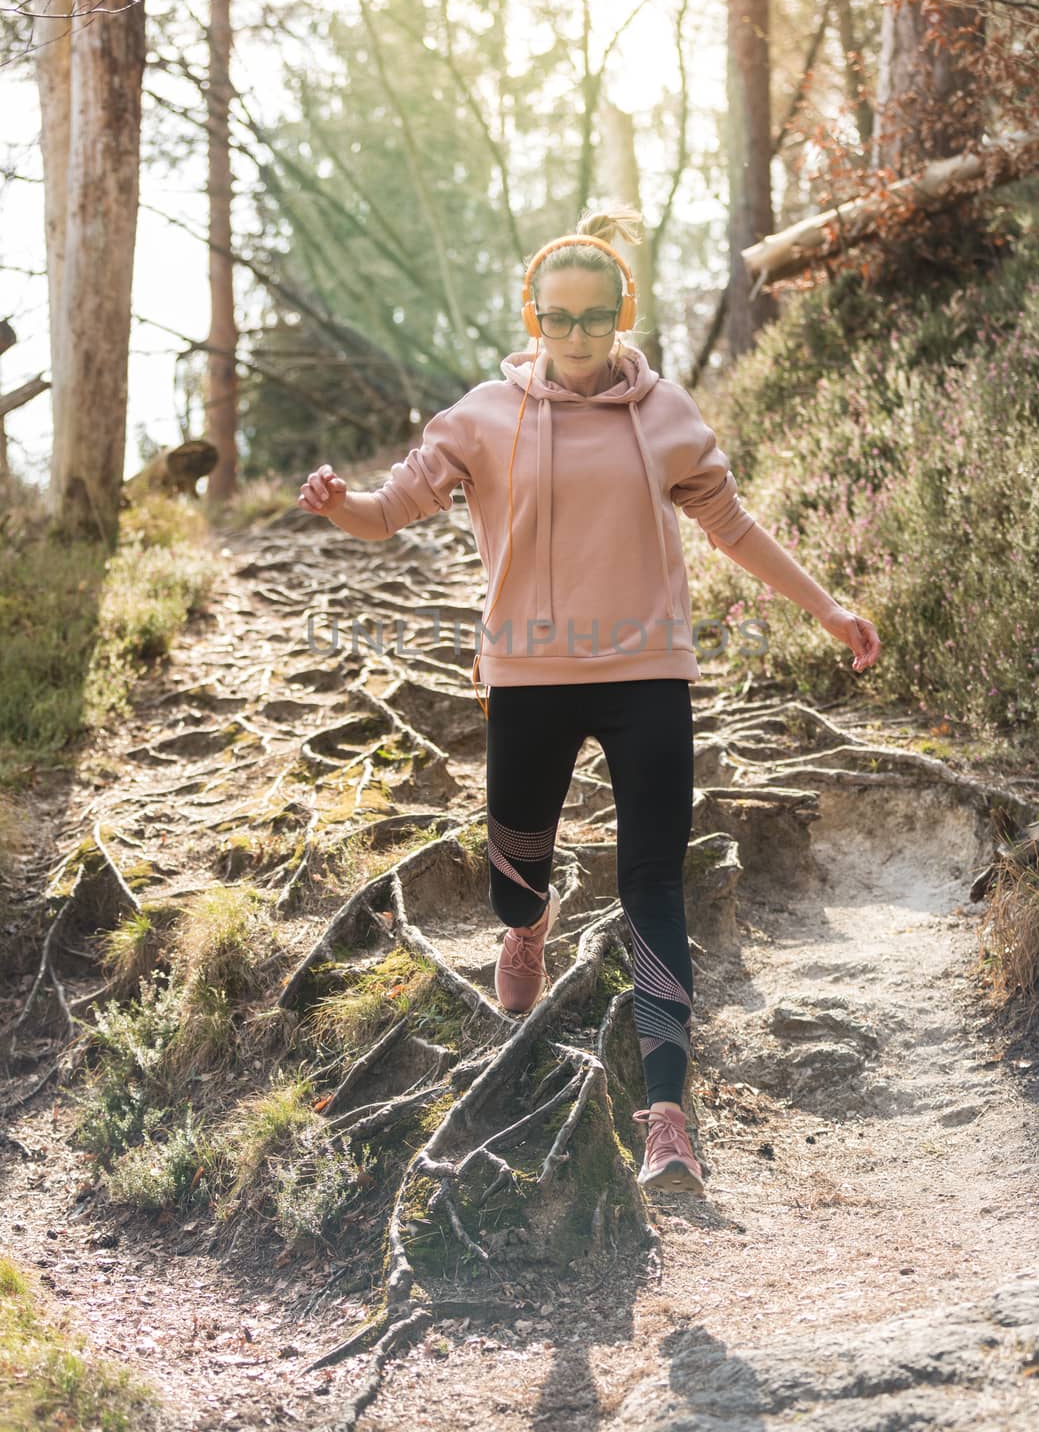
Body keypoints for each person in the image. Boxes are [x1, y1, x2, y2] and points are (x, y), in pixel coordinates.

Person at [298, 203, 881, 1196]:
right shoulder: (481, 416)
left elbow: (732, 527)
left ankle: (666, 1121)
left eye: (592, 316)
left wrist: (822, 607)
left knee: (651, 883)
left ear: (623, 312)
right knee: (511, 874)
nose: (573, 336)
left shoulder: (662, 417)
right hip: (527, 677)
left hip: (646, 674)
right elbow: (389, 507)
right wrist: (339, 503)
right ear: (531, 314)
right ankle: (527, 923)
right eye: (555, 317)